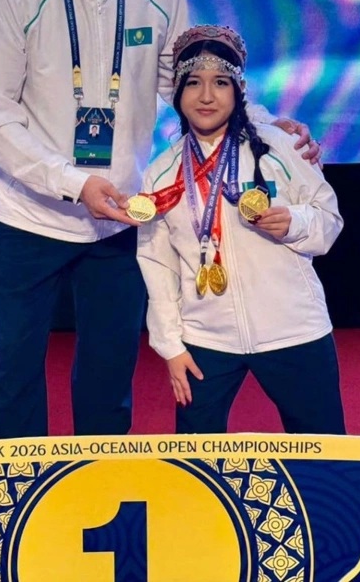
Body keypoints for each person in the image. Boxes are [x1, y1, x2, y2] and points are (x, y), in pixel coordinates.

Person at [0, 0, 319, 439]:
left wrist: (261, 124)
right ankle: (15, 487)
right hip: (26, 217)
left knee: (109, 373)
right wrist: (74, 183)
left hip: (121, 217)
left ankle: (100, 477)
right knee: (17, 370)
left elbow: (190, 80)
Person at [135, 25, 346, 435]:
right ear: (177, 92)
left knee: (324, 456)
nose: (206, 96)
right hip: (205, 340)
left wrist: (295, 222)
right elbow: (157, 264)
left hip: (294, 330)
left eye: (220, 82)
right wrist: (171, 345)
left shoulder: (279, 148)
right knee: (196, 460)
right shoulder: (161, 173)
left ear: (239, 90)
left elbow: (329, 219)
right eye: (193, 83)